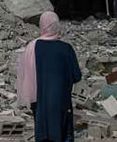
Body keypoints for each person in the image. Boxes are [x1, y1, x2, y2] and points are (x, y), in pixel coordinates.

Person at [16, 11, 82, 142]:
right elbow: (76, 76)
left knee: (43, 135)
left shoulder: (32, 47)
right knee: (63, 134)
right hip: (61, 103)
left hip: (39, 103)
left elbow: (26, 76)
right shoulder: (66, 48)